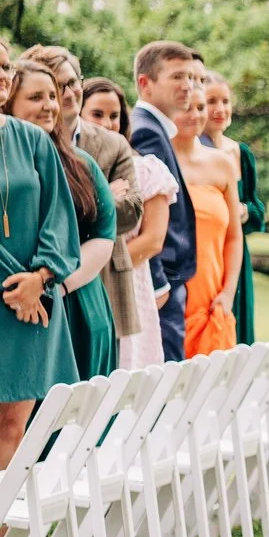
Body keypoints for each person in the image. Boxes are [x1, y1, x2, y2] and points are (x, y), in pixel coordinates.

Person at [11, 51, 118, 379]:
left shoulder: (81, 163)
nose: (50, 105)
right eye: (35, 97)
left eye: (52, 96)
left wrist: (55, 284)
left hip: (81, 304)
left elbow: (105, 233)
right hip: (18, 306)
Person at [0, 54, 83, 461]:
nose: (2, 75)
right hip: (17, 296)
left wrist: (40, 279)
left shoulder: (32, 140)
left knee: (14, 429)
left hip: (33, 308)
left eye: (5, 66)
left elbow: (59, 216)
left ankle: (3, 526)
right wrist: (16, 283)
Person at [82, 80, 174, 369]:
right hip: (83, 280)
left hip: (131, 281)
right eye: (97, 114)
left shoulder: (143, 168)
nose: (108, 123)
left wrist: (103, 266)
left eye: (114, 115)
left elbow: (153, 239)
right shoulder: (70, 167)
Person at [126, 43, 199, 363]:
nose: (188, 86)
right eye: (177, 76)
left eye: (192, 78)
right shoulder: (145, 133)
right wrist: (159, 286)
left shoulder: (158, 129)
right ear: (145, 83)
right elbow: (147, 219)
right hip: (161, 285)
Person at [174, 79, 243, 358]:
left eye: (200, 107)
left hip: (213, 302)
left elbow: (234, 236)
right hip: (173, 301)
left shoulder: (222, 163)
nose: (196, 114)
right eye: (186, 107)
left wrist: (228, 293)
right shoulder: (151, 161)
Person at [200, 71, 262, 344]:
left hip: (236, 251)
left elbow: (258, 209)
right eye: (211, 101)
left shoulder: (240, 153)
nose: (220, 109)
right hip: (206, 255)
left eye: (225, 101)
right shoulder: (190, 154)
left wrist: (243, 211)